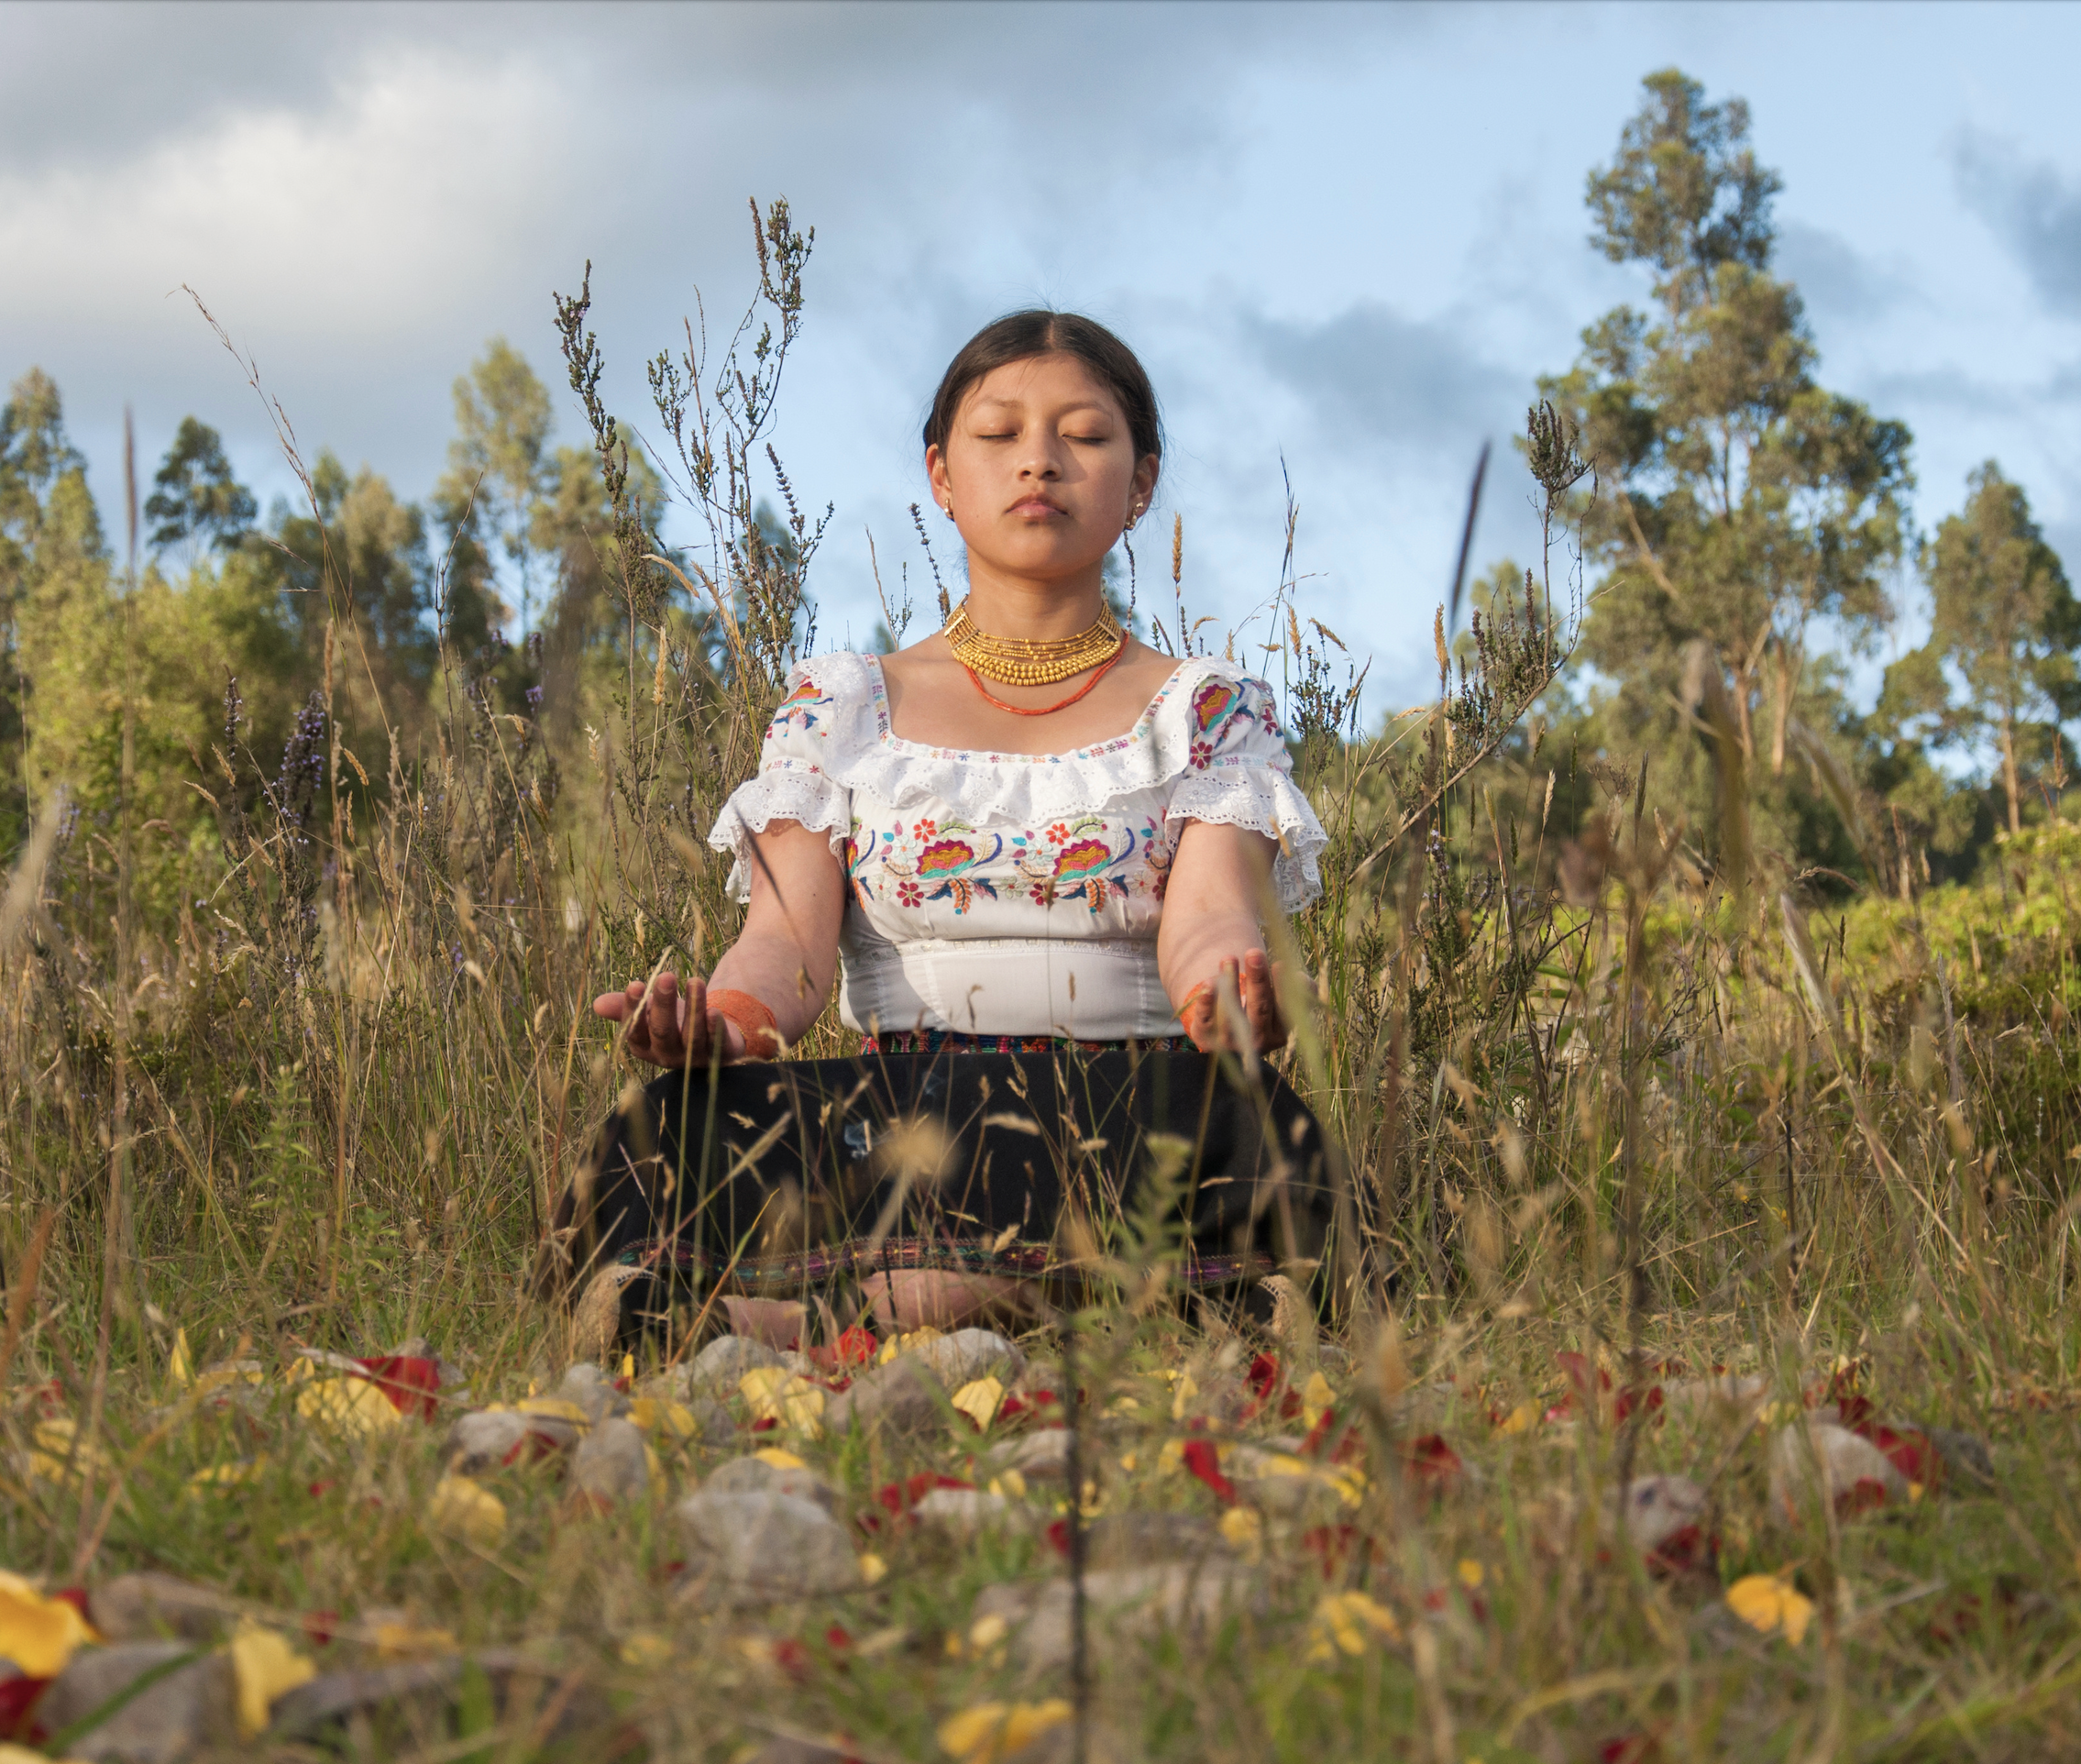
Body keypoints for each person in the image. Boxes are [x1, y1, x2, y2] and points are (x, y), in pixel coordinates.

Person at [539, 311, 1336, 1353]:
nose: (1039, 461)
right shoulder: (844, 707)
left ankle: (787, 1321)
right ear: (941, 476)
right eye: (997, 434)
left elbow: (1212, 916)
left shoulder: (1205, 710)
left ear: (1140, 482)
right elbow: (784, 945)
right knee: (672, 1130)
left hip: (1129, 1101)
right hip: (899, 1110)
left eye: (1085, 436)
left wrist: (1232, 991)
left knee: (1234, 1121)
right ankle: (1078, 1308)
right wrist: (720, 1026)